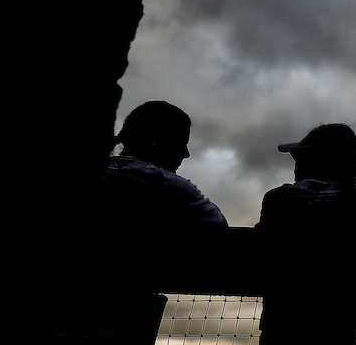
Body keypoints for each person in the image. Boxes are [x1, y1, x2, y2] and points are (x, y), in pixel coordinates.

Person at [51, 100, 228, 344]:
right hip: (120, 328)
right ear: (157, 141)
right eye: (181, 142)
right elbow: (216, 225)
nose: (185, 153)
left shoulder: (80, 176)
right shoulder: (167, 186)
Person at [256, 123, 356, 344]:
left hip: (281, 327)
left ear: (313, 161)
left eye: (300, 158)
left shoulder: (277, 199)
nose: (295, 167)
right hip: (340, 329)